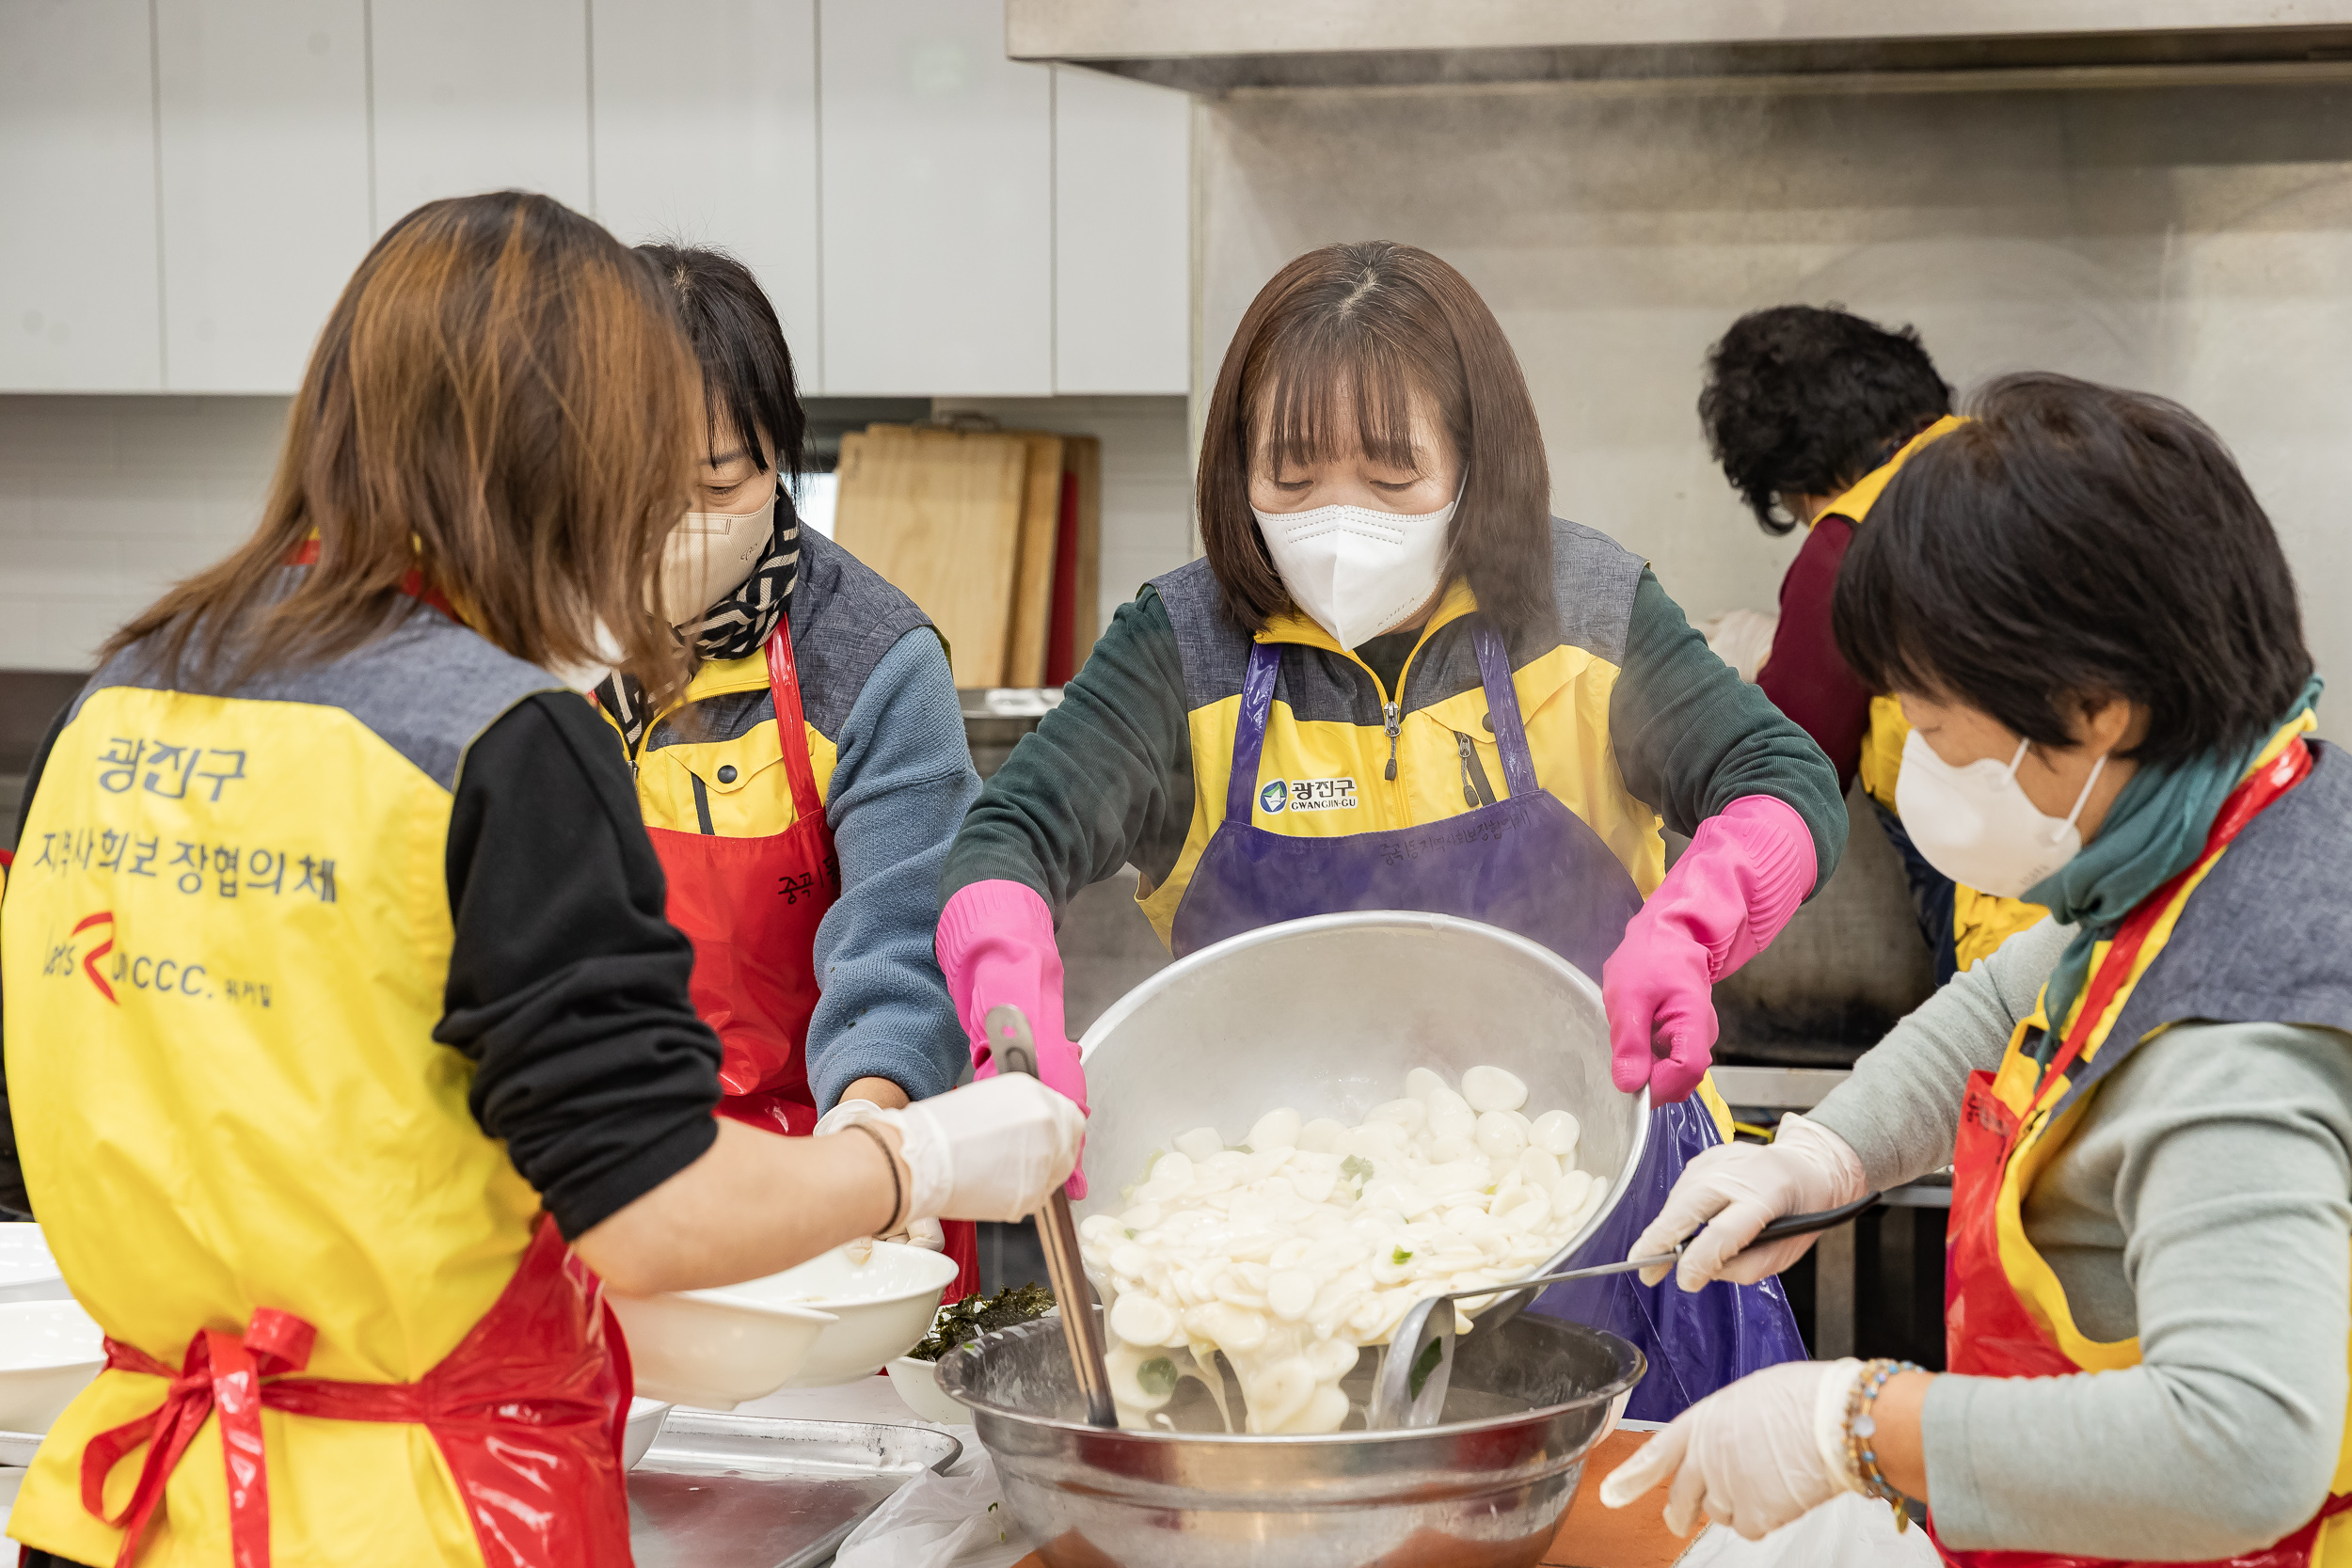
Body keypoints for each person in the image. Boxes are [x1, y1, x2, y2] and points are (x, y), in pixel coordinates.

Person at [0, 192, 1082, 1568]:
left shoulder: (121, 690)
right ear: (551, 445)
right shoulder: (504, 734)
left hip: (129, 1497)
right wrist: (917, 1152)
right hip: (415, 1512)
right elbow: (648, 1211)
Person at [934, 240, 1850, 1418]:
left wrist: (1690, 924)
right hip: (1284, 1256)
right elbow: (1009, 831)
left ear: (1476, 462)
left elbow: (1777, 775)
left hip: (1612, 1221)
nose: (1337, 518)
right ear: (1236, 469)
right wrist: (1012, 1019)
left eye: (1389, 474)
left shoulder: (1583, 609)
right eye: (1295, 475)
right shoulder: (1185, 646)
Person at [1601, 373, 2347, 1562]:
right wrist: (1818, 1156)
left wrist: (1856, 1424)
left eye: (1938, 727)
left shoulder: (2238, 1032)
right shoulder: (2228, 836)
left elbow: (2243, 1442)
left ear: (2095, 707)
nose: (1926, 765)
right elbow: (2014, 992)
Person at [594, 245, 986, 1293]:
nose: (678, 520)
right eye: (636, 484)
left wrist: (865, 1146)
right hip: (598, 1181)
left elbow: (904, 934)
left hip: (824, 1185)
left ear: (780, 461)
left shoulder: (868, 658)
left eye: (719, 480)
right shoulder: (542, 641)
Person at [1698, 305, 2045, 981]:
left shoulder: (1849, 543)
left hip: (1995, 892)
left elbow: (1795, 766)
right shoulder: (2009, 458)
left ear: (1792, 475)